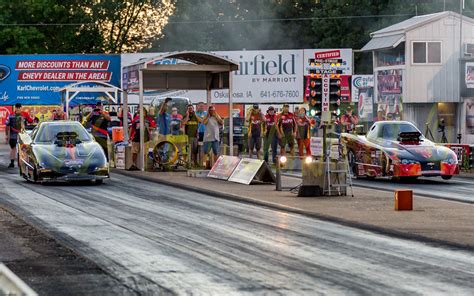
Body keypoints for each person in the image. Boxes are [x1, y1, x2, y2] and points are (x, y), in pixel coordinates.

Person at [5, 103, 29, 168]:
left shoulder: (11, 115)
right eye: (17, 107)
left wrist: (7, 135)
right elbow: (30, 121)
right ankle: (23, 163)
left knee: (14, 149)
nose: (18, 109)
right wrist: (7, 135)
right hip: (21, 135)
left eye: (18, 107)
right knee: (22, 149)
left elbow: (7, 125)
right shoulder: (25, 114)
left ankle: (12, 163)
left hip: (15, 135)